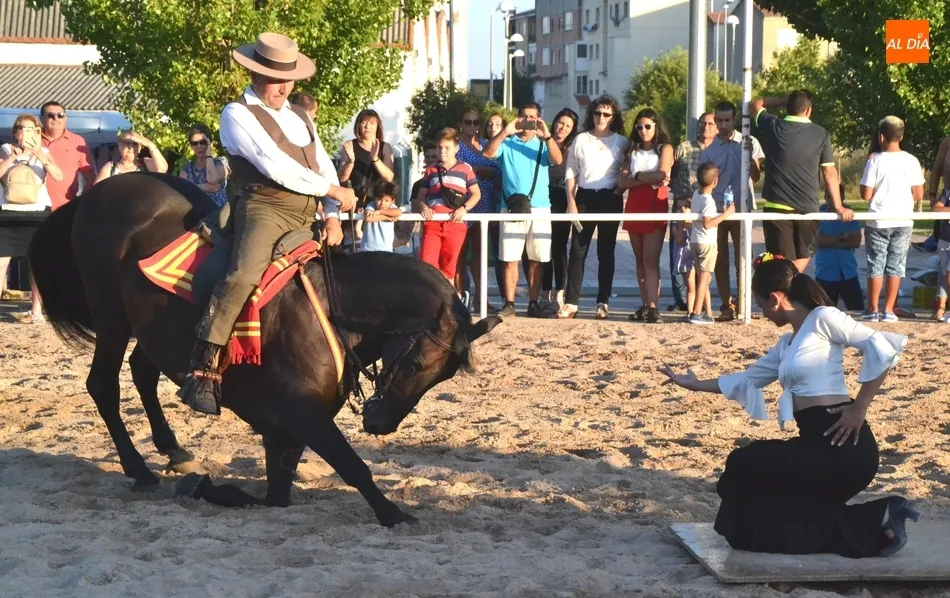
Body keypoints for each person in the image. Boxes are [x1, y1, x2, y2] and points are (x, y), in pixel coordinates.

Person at [660, 256, 917, 558]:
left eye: (760, 306)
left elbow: (883, 348)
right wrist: (694, 384)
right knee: (765, 522)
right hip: (815, 444)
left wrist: (859, 407)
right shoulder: (786, 344)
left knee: (745, 462)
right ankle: (882, 517)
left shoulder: (823, 318)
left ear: (775, 299)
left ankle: (881, 515)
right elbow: (747, 379)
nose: (762, 313)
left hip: (843, 445)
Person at [179, 32, 355, 415]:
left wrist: (332, 214)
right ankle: (204, 365)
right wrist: (332, 190)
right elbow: (275, 165)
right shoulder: (236, 113)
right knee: (242, 275)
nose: (284, 86)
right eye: (277, 78)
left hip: (309, 208)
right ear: (257, 76)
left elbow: (322, 164)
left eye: (289, 78)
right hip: (263, 207)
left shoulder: (300, 116)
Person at [751, 91, 854, 273]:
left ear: (789, 107)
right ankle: (776, 292)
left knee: (785, 263)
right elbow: (829, 172)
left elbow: (755, 104)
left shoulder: (773, 125)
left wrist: (783, 100)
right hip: (807, 209)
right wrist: (839, 206)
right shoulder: (821, 133)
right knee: (800, 258)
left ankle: (776, 290)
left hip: (777, 208)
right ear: (809, 110)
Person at [482, 102, 563, 318]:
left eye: (533, 117)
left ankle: (533, 302)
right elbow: (488, 153)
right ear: (518, 118)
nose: (528, 121)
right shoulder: (507, 144)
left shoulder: (544, 143)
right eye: (524, 117)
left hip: (540, 207)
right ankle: (509, 303)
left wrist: (547, 135)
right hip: (511, 207)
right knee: (509, 257)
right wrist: (505, 132)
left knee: (537, 258)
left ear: (539, 119)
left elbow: (558, 160)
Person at [558, 96, 626, 320]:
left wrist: (619, 190)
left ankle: (602, 301)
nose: (601, 118)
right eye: (598, 113)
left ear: (613, 117)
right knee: (577, 250)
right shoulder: (581, 140)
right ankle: (571, 302)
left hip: (610, 198)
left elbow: (627, 171)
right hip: (585, 197)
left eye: (606, 114)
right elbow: (571, 172)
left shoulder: (621, 142)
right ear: (592, 115)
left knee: (606, 251)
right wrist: (571, 201)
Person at [700, 101, 764, 321]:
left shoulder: (748, 142)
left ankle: (744, 303)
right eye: (720, 120)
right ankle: (726, 305)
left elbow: (756, 177)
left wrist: (750, 158)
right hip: (717, 210)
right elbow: (704, 183)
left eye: (728, 120)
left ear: (734, 119)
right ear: (715, 120)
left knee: (744, 259)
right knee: (719, 260)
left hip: (742, 208)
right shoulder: (709, 151)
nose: (724, 124)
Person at [859, 116, 924, 323]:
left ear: (881, 137)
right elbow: (918, 193)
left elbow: (866, 194)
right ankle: (888, 309)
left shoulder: (875, 161)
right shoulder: (912, 161)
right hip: (903, 219)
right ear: (901, 136)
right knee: (896, 265)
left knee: (875, 264)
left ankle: (872, 308)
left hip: (878, 220)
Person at [0, 113, 63, 323]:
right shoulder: (6, 149)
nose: (25, 133)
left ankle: (36, 311)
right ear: (15, 132)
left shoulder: (43, 152)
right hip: (8, 211)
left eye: (31, 129)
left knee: (37, 262)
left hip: (38, 211)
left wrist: (39, 154)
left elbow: (58, 175)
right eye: (21, 128)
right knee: (1, 261)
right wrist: (12, 157)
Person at [620, 108, 673, 323]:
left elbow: (662, 174)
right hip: (634, 205)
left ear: (656, 127)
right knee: (639, 261)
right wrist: (646, 178)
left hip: (654, 205)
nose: (643, 131)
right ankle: (645, 305)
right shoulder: (631, 150)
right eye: (639, 127)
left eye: (647, 126)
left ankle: (653, 306)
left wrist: (637, 175)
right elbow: (622, 182)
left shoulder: (665, 148)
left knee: (650, 260)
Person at [414, 127, 481, 285]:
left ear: (456, 148)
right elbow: (421, 196)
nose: (442, 151)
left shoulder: (465, 169)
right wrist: (424, 207)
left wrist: (463, 209)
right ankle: (432, 305)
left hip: (456, 224)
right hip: (433, 224)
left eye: (447, 147)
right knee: (427, 265)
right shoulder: (430, 170)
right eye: (439, 147)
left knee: (449, 269)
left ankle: (448, 306)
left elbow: (476, 194)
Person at [669, 112, 718, 312]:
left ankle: (702, 305)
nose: (706, 126)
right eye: (703, 123)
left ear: (716, 128)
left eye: (710, 123)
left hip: (705, 210)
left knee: (703, 257)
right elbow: (672, 174)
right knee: (680, 253)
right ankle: (682, 300)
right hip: (683, 208)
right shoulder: (684, 148)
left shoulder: (718, 150)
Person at [456, 107, 500, 308]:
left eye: (475, 122)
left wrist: (479, 170)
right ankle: (460, 297)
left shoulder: (485, 145)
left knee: (481, 252)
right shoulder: (455, 147)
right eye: (467, 122)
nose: (471, 126)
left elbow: (498, 170)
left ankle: (481, 299)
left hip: (485, 202)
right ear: (461, 124)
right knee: (460, 252)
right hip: (462, 203)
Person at [543, 108, 579, 312]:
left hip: (561, 199)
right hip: (540, 199)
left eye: (567, 125)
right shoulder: (542, 142)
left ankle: (559, 292)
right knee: (541, 247)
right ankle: (544, 293)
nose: (562, 127)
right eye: (560, 122)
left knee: (558, 247)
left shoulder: (572, 147)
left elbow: (558, 172)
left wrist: (541, 172)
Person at [690, 162, 734, 324]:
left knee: (703, 278)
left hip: (695, 241)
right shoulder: (708, 200)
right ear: (715, 181)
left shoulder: (696, 194)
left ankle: (707, 311)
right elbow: (708, 223)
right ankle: (696, 312)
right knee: (704, 278)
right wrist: (726, 214)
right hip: (707, 243)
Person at [815, 185, 863, 312]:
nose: (832, 200)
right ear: (825, 197)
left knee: (857, 311)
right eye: (829, 196)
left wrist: (830, 241)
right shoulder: (819, 215)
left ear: (842, 198)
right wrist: (842, 236)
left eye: (836, 197)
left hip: (849, 272)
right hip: (825, 273)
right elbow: (818, 240)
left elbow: (856, 241)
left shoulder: (849, 214)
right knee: (823, 314)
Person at [39, 101, 95, 210]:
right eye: (50, 115)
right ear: (41, 119)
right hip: (34, 209)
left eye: (60, 115)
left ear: (65, 118)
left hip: (65, 211)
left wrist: (80, 202)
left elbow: (90, 178)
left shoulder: (77, 142)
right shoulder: (32, 140)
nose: (56, 118)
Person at [179, 123, 230, 207]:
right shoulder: (186, 169)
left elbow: (212, 179)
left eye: (202, 142)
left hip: (218, 213)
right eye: (195, 143)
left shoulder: (221, 162)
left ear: (209, 143)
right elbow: (180, 191)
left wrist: (209, 155)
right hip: (195, 213)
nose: (199, 146)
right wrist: (202, 187)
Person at [93, 130, 168, 184]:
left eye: (135, 144)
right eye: (127, 143)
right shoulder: (111, 167)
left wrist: (149, 144)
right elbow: (97, 190)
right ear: (120, 145)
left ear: (140, 148)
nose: (131, 147)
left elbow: (162, 169)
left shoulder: (145, 163)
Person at [362, 181, 402, 253]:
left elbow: (398, 212)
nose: (382, 203)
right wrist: (387, 217)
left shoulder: (392, 207)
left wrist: (380, 212)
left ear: (392, 201)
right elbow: (368, 218)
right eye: (379, 199)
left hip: (386, 250)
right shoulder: (371, 205)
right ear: (374, 199)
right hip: (368, 250)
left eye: (386, 200)